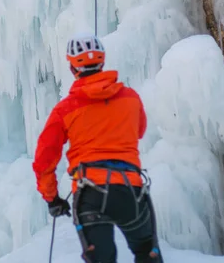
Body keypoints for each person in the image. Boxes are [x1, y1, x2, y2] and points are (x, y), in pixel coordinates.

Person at [32, 32, 163, 263]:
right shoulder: (131, 98)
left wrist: (52, 199)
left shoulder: (65, 110)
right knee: (147, 253)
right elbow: (139, 130)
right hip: (130, 190)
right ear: (102, 61)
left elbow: (44, 157)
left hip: (91, 193)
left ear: (73, 68)